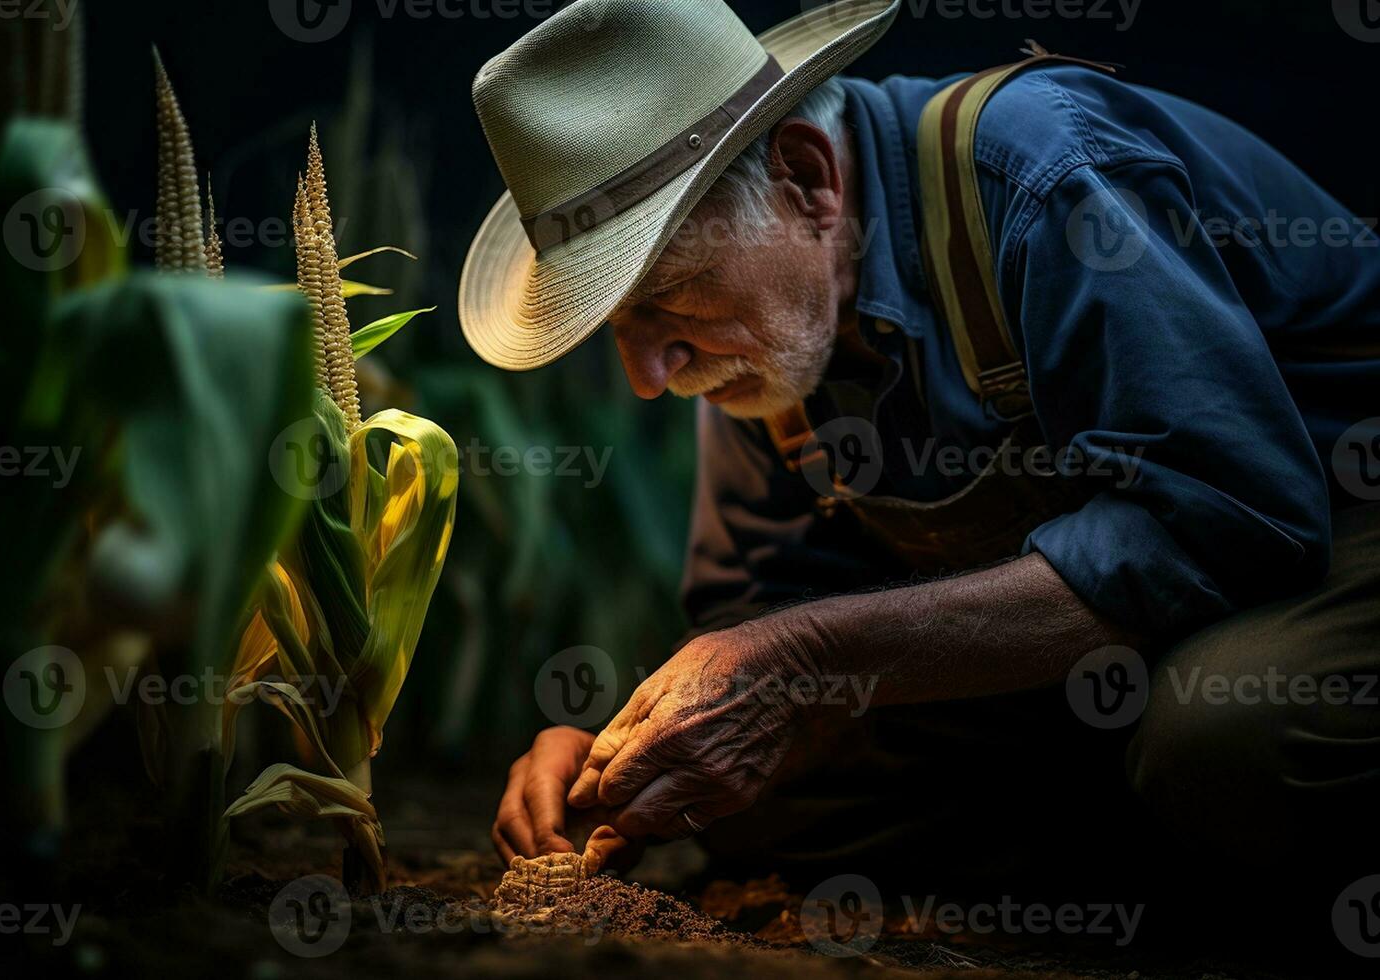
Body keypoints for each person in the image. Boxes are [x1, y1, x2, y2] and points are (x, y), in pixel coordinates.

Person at [459, 0, 1380, 894]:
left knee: (1234, 733)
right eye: (618, 324)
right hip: (1126, 641)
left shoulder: (1048, 179)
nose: (648, 376)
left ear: (807, 178)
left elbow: (1235, 517)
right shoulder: (765, 339)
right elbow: (755, 611)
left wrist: (810, 661)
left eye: (671, 295)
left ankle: (1189, 820)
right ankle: (1166, 851)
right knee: (739, 798)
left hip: (1331, 540)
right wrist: (627, 752)